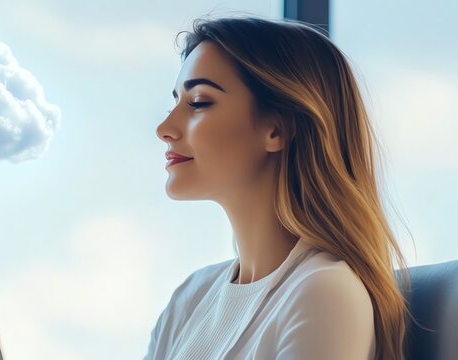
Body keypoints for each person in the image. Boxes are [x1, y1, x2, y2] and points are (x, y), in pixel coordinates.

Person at [146, 16, 418, 360]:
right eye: (175, 103)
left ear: (276, 130)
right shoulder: (190, 298)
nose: (164, 128)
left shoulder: (324, 293)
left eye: (199, 102)